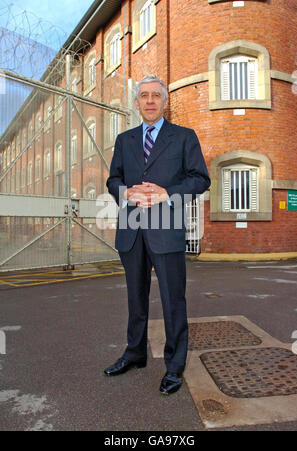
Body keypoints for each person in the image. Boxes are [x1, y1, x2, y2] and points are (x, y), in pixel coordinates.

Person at [104, 75, 210, 395]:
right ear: (136, 103)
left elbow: (199, 179)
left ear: (164, 101)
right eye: (144, 96)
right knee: (136, 301)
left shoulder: (184, 137)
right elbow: (113, 180)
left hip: (167, 232)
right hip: (132, 233)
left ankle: (174, 367)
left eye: (155, 96)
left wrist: (167, 193)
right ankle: (135, 353)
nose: (150, 100)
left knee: (172, 302)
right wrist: (126, 192)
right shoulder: (125, 140)